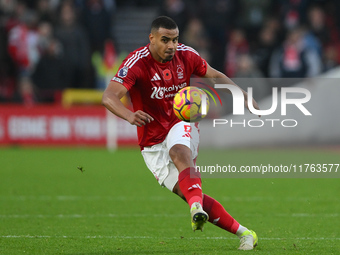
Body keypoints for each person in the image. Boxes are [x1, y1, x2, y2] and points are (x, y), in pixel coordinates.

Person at [102, 16, 259, 251]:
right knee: (191, 193)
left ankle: (195, 210)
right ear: (151, 39)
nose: (171, 46)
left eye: (175, 40)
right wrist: (128, 115)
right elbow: (109, 96)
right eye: (165, 40)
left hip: (181, 121)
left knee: (179, 151)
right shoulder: (136, 63)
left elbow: (215, 75)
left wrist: (241, 95)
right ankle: (245, 233)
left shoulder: (186, 55)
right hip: (151, 142)